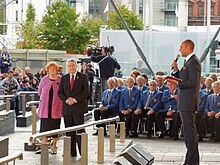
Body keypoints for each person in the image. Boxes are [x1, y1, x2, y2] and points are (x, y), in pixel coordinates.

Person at [171, 39, 200, 165]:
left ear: (188, 48)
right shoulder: (187, 61)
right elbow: (184, 78)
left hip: (188, 102)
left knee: (190, 134)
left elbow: (193, 82)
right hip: (185, 102)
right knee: (188, 134)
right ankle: (191, 160)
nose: (179, 49)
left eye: (181, 47)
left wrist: (178, 83)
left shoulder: (193, 62)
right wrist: (176, 71)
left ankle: (192, 161)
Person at [58, 59, 89, 157]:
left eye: (73, 65)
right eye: (70, 65)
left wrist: (75, 100)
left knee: (79, 131)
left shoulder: (83, 77)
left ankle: (82, 152)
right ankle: (71, 152)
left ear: (76, 66)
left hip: (78, 108)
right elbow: (60, 92)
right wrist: (67, 100)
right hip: (67, 108)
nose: (72, 67)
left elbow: (86, 92)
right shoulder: (64, 78)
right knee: (69, 131)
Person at [37, 61, 62, 154]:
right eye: (50, 69)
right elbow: (40, 92)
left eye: (54, 69)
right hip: (45, 107)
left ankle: (54, 146)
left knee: (55, 127)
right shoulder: (44, 79)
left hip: (56, 107)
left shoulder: (60, 80)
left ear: (57, 70)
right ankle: (44, 145)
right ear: (48, 70)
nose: (52, 71)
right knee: (44, 127)